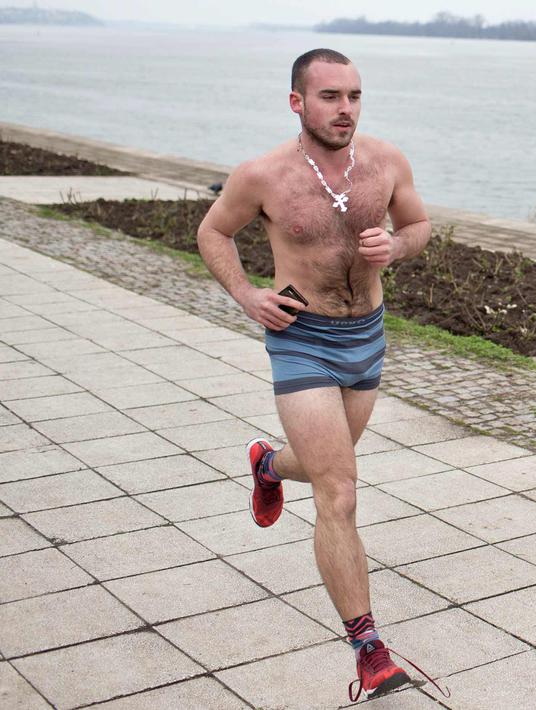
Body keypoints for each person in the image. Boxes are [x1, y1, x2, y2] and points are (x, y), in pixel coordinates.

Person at [197, 48, 436, 700]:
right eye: (330, 96)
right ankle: (369, 650)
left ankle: (268, 465)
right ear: (298, 102)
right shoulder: (263, 175)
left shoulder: (386, 162)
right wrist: (248, 295)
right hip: (301, 340)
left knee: (327, 465)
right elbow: (212, 234)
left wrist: (397, 245)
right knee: (341, 491)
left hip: (366, 338)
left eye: (354, 95)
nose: (345, 109)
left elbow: (418, 226)